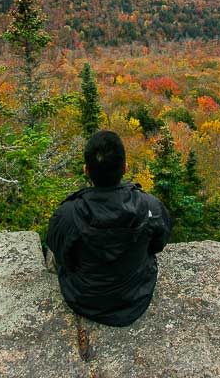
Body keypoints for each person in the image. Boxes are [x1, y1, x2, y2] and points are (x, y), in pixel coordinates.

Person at [47, 130, 173, 327]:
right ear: (125, 167)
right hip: (136, 297)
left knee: (53, 254)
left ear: (86, 170)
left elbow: (63, 256)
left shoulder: (68, 215)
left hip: (84, 300)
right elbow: (158, 243)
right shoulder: (150, 207)